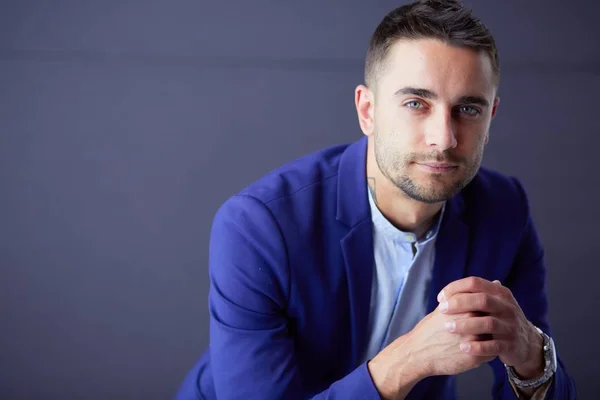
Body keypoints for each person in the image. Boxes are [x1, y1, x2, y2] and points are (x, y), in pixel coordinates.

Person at [175, 0, 576, 398]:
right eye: (416, 103)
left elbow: (533, 382)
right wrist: (407, 361)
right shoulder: (258, 227)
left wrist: (532, 356)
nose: (444, 138)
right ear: (368, 111)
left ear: (490, 119)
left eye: (468, 109)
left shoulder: (505, 212)